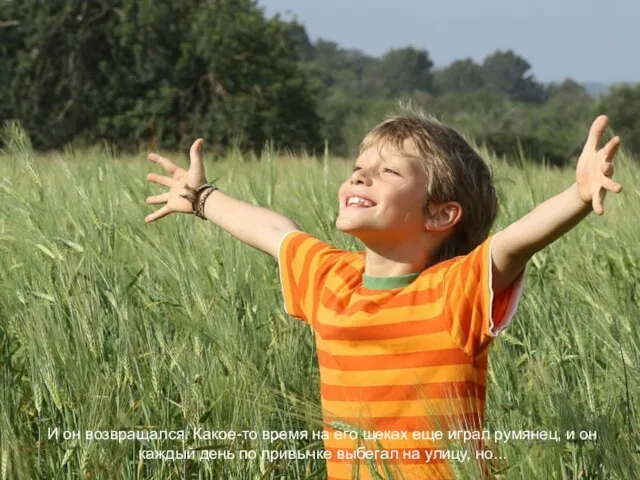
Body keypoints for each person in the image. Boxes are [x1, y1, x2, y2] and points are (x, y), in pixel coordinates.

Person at [144, 103, 622, 479]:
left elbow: (515, 244)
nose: (359, 176)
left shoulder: (455, 291)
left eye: (389, 172)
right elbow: (275, 231)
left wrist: (578, 196)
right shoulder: (331, 277)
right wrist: (202, 199)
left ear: (440, 214)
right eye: (358, 167)